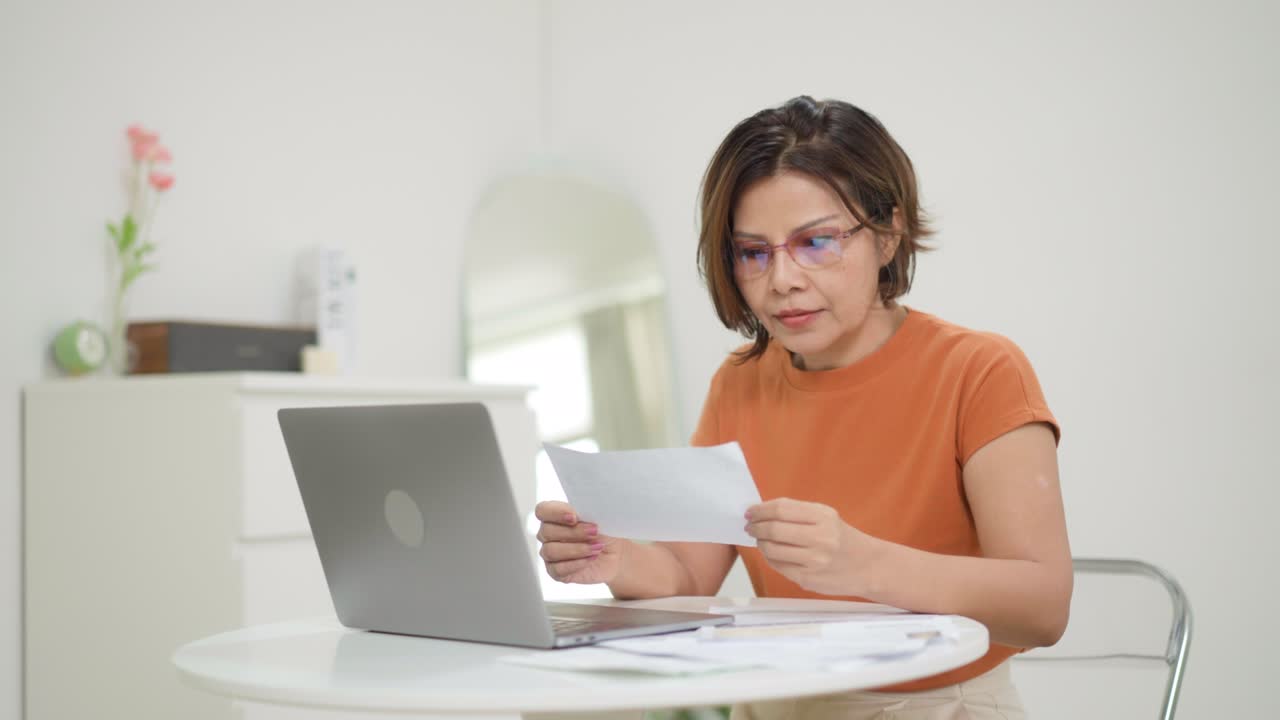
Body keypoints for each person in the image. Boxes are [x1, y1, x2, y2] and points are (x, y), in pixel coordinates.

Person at [534, 96, 1072, 719]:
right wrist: (617, 558)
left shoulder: (979, 371)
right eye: (753, 252)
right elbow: (689, 577)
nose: (781, 279)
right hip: (773, 702)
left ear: (888, 233)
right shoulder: (739, 383)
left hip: (934, 704)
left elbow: (1043, 606)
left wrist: (862, 563)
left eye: (815, 242)